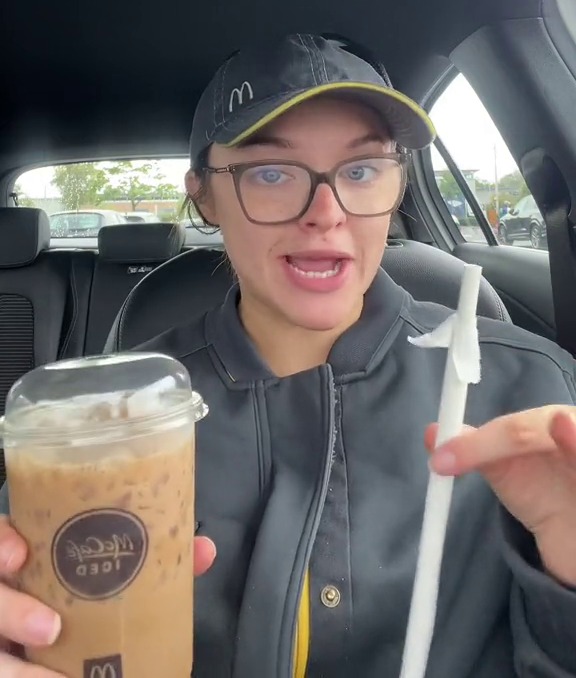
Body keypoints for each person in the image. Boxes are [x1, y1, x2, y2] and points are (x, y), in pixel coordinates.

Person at [1, 32, 576, 678]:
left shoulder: (531, 397)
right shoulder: (109, 426)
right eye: (271, 174)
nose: (326, 213)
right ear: (205, 197)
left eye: (360, 171)